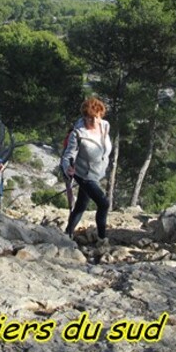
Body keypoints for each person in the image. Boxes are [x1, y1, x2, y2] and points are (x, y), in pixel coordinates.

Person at [61, 97, 112, 244]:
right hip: (83, 174)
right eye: (88, 118)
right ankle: (102, 238)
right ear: (84, 116)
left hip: (97, 172)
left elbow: (104, 148)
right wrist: (67, 168)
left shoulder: (105, 126)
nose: (92, 121)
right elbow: (68, 155)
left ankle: (68, 234)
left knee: (81, 205)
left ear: (100, 115)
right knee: (103, 203)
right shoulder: (78, 133)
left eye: (95, 117)